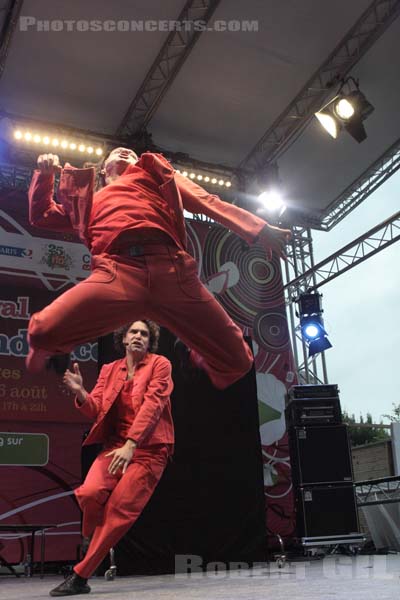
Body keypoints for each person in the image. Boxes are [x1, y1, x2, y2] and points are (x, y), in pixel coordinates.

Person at [26, 147, 290, 389]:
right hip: (117, 271)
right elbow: (42, 215)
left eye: (130, 152)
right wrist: (45, 175)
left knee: (239, 361)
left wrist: (259, 229)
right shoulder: (88, 200)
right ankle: (45, 347)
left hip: (172, 272)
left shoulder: (151, 171)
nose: (126, 151)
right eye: (117, 152)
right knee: (40, 332)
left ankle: (197, 353)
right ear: (104, 169)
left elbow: (205, 200)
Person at [49, 319, 174, 597]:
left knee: (117, 512)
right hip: (115, 446)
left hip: (149, 450)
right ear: (124, 339)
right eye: (134, 332)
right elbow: (98, 410)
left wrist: (133, 444)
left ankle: (80, 576)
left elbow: (154, 405)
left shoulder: (160, 365)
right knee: (90, 493)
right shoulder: (110, 369)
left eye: (144, 333)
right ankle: (90, 539)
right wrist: (82, 392)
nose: (139, 336)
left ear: (149, 341)